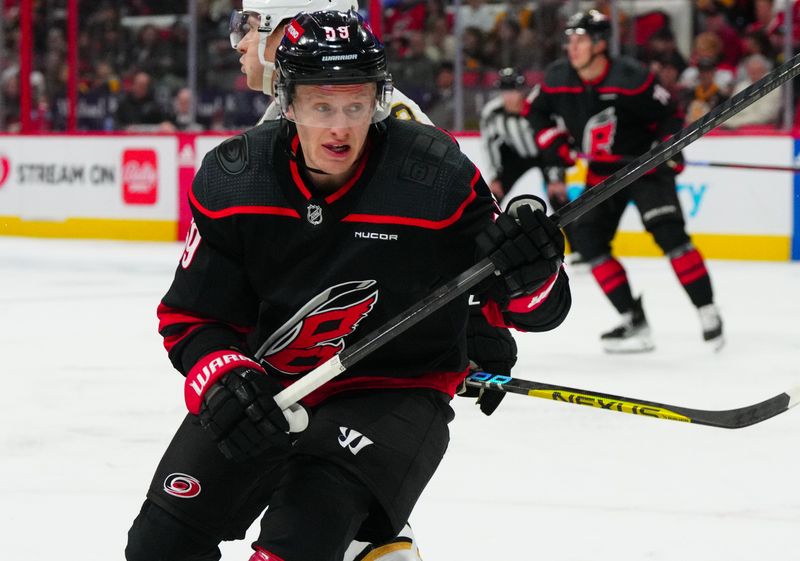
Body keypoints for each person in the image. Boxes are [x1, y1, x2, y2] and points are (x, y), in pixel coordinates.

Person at [125, 10, 571, 561]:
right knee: (158, 546)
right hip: (276, 381)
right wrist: (225, 380)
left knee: (303, 530)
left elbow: (530, 302)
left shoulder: (433, 175)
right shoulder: (234, 178)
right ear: (288, 102)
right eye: (321, 106)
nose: (340, 127)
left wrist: (529, 272)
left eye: (356, 105)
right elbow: (192, 317)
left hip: (391, 387)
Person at [229, 3, 521, 558]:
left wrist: (481, 323)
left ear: (284, 27)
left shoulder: (389, 125)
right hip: (320, 361)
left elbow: (460, 232)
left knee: (323, 512)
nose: (238, 43)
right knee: (350, 525)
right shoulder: (287, 119)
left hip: (374, 374)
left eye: (247, 27)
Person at [525, 10, 724, 352]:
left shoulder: (632, 77)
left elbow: (670, 114)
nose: (572, 47)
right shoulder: (558, 77)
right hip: (601, 174)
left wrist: (669, 148)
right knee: (589, 243)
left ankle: (707, 309)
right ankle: (633, 320)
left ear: (600, 44)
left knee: (670, 234)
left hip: (645, 169)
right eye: (570, 40)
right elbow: (536, 111)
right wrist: (556, 144)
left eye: (581, 40)